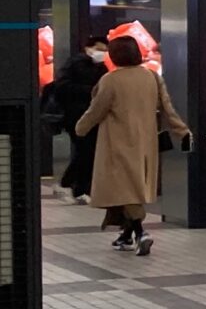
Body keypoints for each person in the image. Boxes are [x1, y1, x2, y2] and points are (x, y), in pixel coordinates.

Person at [75, 35, 189, 257]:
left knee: (125, 191)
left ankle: (140, 233)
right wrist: (183, 131)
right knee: (131, 189)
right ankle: (125, 235)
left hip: (117, 144)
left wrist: (80, 128)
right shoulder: (152, 77)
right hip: (146, 143)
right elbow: (167, 110)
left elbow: (96, 110)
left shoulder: (111, 80)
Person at [51, 36, 108, 201]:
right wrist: (91, 91)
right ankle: (67, 184)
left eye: (105, 50)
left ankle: (80, 189)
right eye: (99, 49)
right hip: (75, 116)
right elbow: (62, 88)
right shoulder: (75, 64)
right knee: (85, 151)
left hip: (92, 115)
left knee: (89, 152)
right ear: (88, 48)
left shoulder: (101, 67)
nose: (101, 53)